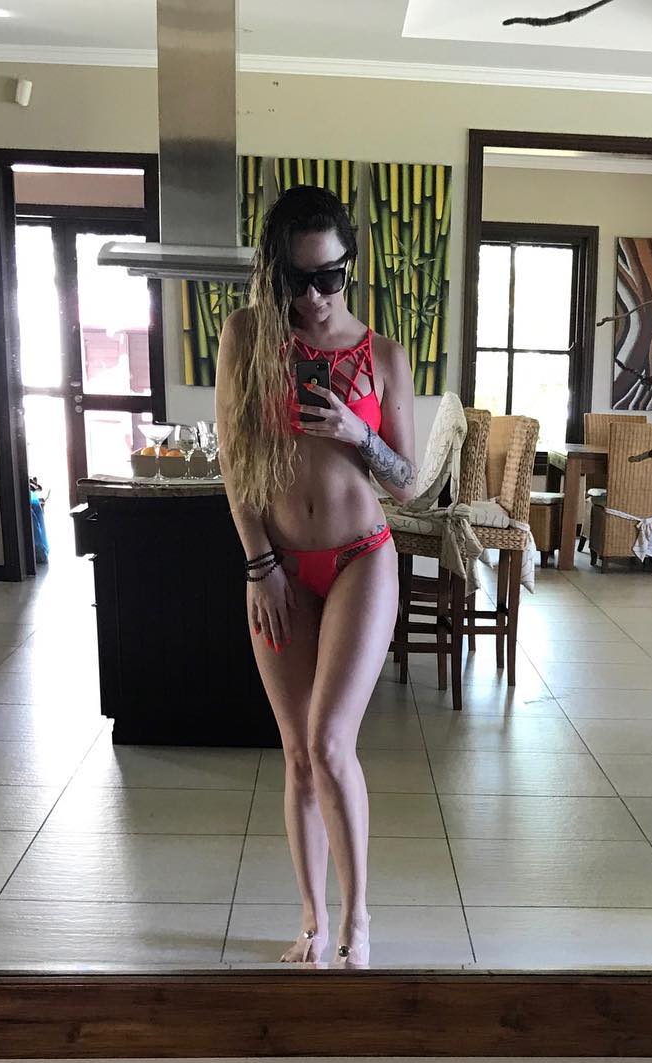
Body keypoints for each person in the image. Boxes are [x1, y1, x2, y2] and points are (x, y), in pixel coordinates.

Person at [214, 185, 417, 967]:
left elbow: (407, 485)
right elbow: (235, 462)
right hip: (277, 567)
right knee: (297, 752)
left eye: (328, 277)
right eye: (296, 280)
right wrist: (259, 563)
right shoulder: (248, 338)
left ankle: (358, 922)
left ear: (349, 265)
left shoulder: (384, 356)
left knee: (331, 742)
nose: (313, 297)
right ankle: (312, 919)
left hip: (361, 556)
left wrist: (360, 434)